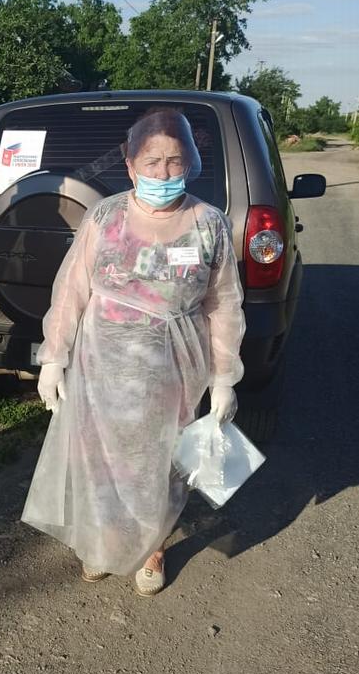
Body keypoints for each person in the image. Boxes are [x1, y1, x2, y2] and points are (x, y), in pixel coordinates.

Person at [21, 108, 245, 596]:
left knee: (157, 461)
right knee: (100, 455)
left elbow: (224, 304)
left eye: (174, 161)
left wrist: (224, 378)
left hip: (175, 369)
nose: (163, 173)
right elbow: (72, 289)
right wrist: (54, 358)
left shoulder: (208, 224)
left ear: (191, 162)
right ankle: (103, 540)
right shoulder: (106, 217)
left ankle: (151, 547)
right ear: (130, 165)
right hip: (102, 365)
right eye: (151, 162)